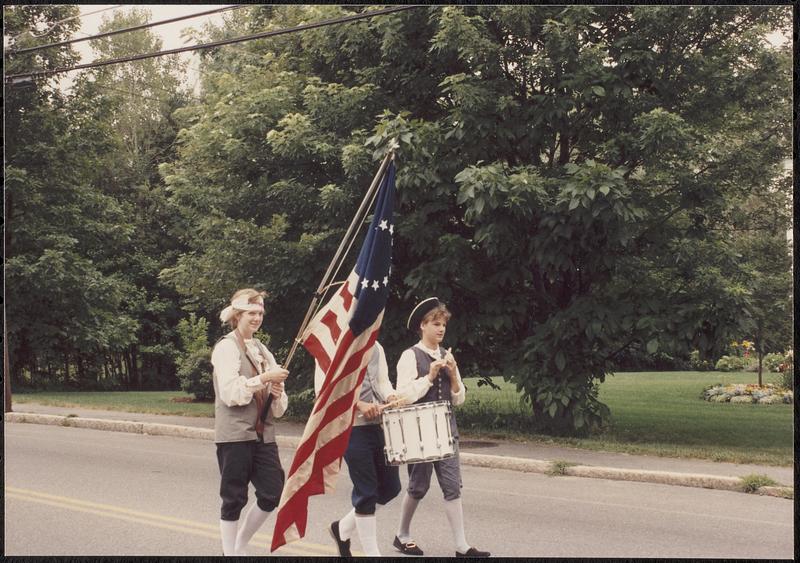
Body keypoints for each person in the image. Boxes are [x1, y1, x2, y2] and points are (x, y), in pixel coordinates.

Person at [392, 297, 490, 558]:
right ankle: (402, 534)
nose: (441, 329)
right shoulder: (409, 356)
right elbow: (402, 397)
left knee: (452, 485)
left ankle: (461, 545)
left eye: (443, 324)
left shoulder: (447, 355)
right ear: (422, 326)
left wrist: (454, 374)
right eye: (435, 324)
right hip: (420, 431)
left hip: (446, 430)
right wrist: (429, 376)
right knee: (418, 486)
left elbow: (458, 399)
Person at [211, 288, 290, 556]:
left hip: (263, 435)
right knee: (234, 498)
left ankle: (240, 543)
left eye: (260, 313)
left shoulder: (263, 351)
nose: (257, 318)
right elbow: (231, 394)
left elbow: (278, 409)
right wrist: (265, 379)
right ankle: (229, 553)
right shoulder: (226, 347)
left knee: (273, 493)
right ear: (237, 315)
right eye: (251, 313)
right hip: (234, 434)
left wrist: (277, 394)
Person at [317, 341, 402, 557]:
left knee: (391, 487)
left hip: (379, 425)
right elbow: (325, 392)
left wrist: (390, 396)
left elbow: (382, 381)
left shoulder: (376, 346)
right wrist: (359, 404)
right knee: (366, 491)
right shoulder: (333, 344)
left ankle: (342, 528)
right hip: (350, 428)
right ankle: (373, 553)